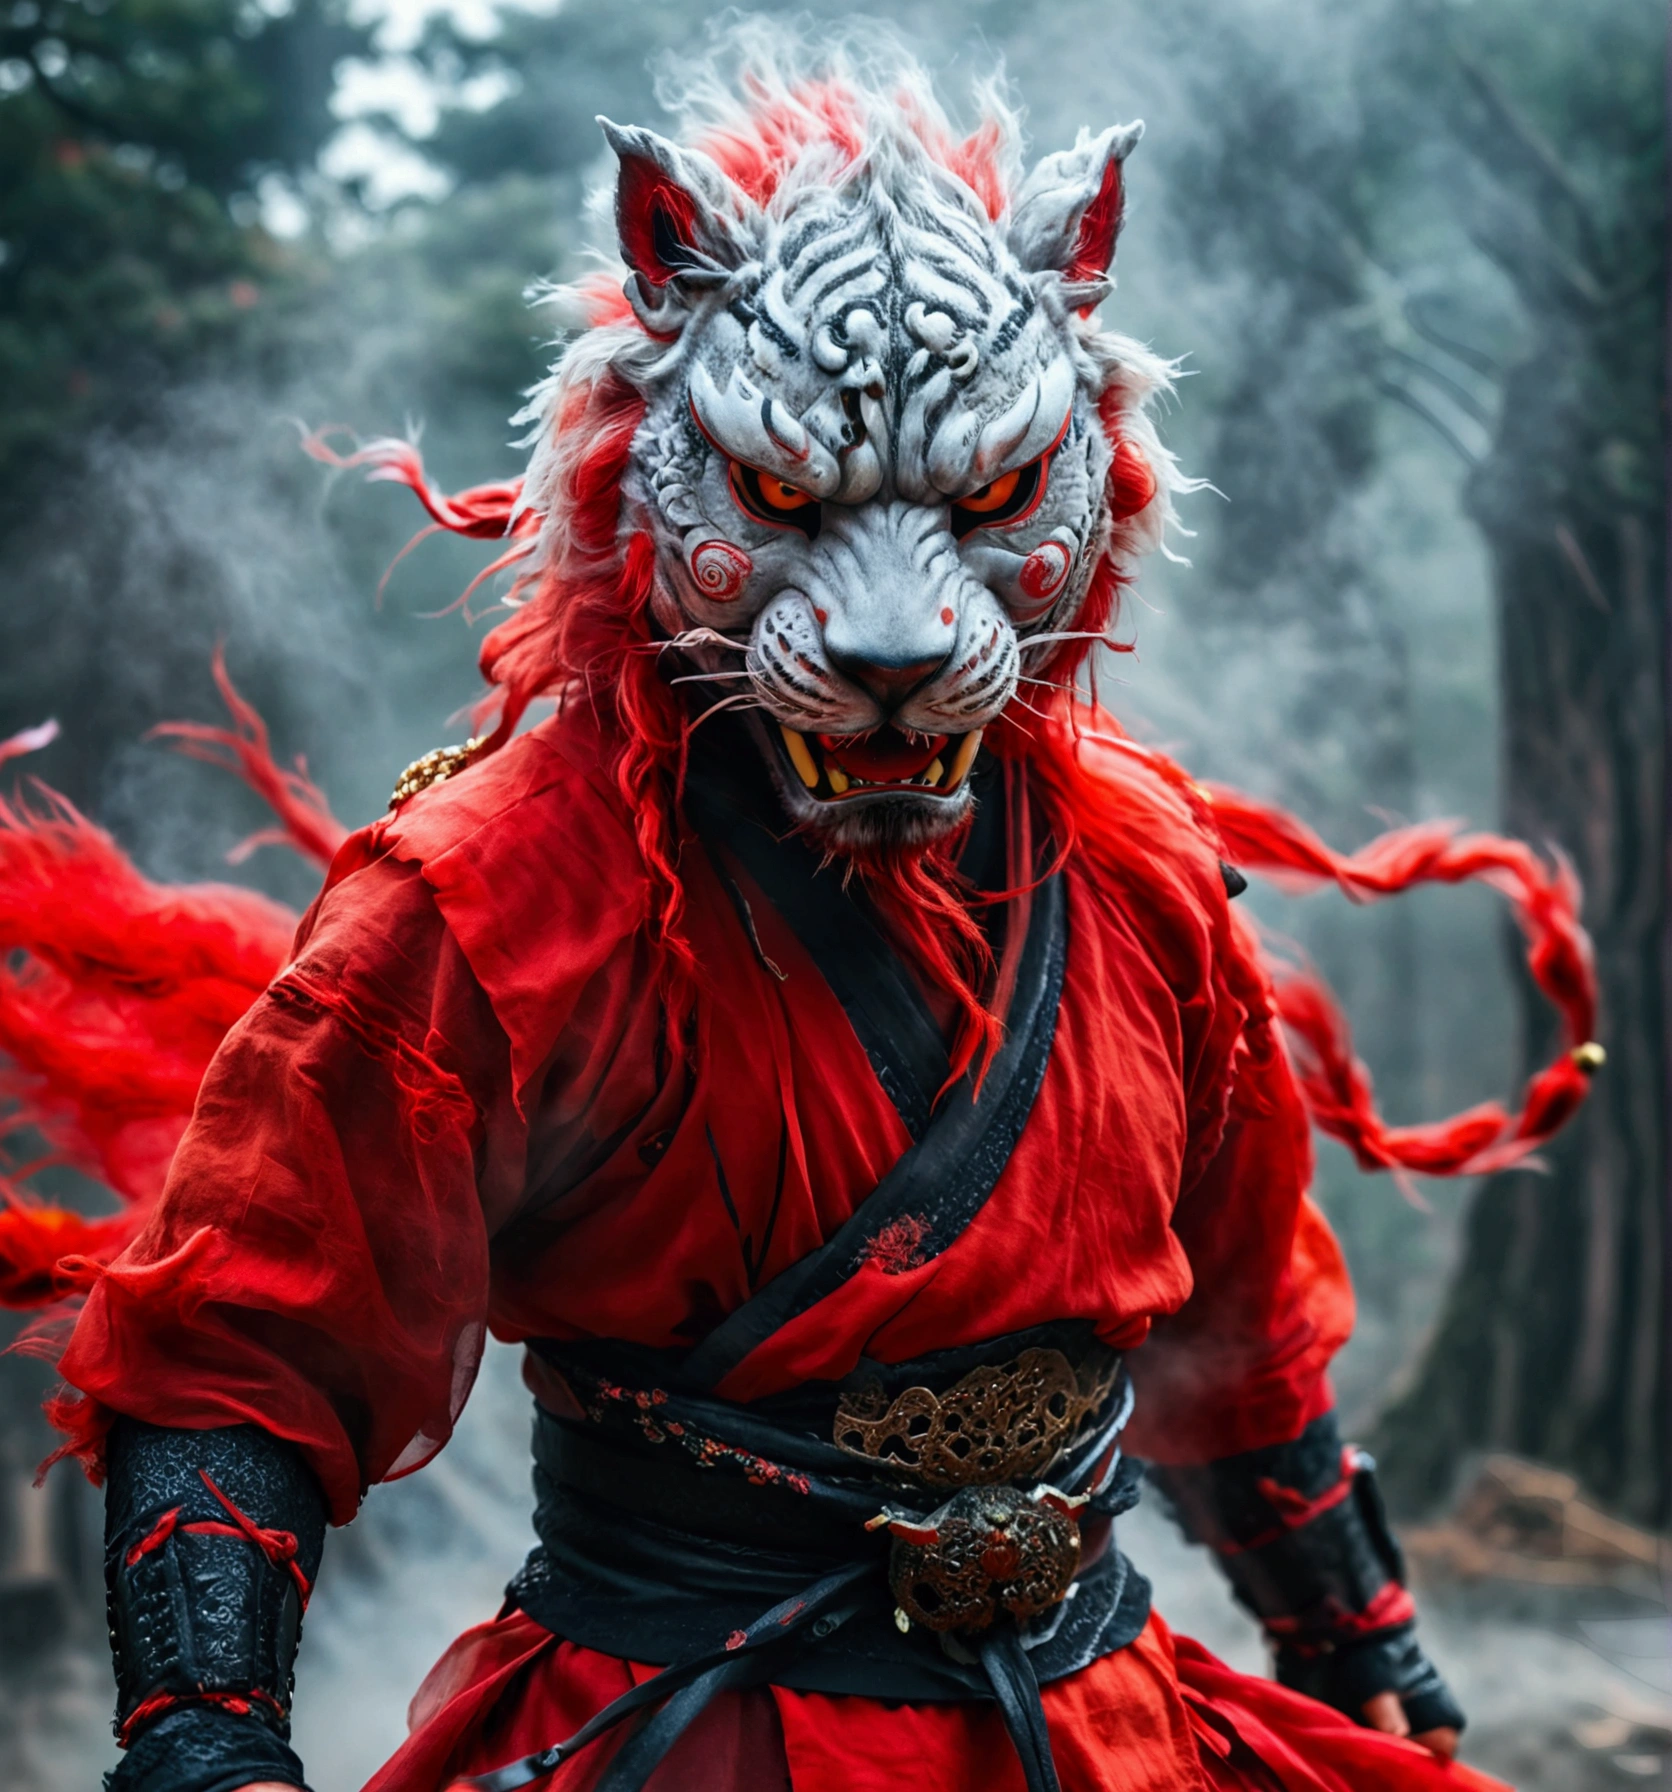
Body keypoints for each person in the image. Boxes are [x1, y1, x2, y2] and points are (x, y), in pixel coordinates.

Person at [31, 30, 1599, 1792]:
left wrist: (1350, 1630)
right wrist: (205, 1749)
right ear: (647, 468)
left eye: (990, 500)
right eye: (784, 499)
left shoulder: (1147, 872)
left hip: (1102, 1730)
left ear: (1092, 468)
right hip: (693, 1737)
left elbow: (1237, 1326)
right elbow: (243, 1357)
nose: (898, 634)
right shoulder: (490, 897)